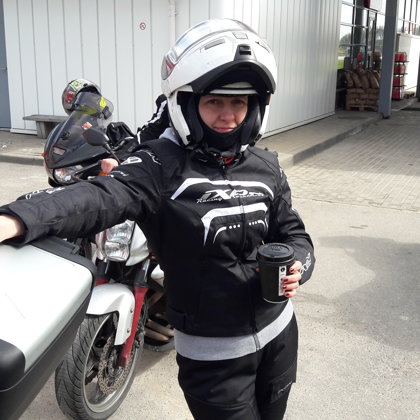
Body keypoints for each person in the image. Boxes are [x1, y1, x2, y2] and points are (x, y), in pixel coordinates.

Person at [0, 18, 315, 420]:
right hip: (214, 359)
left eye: (239, 103)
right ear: (187, 104)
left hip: (280, 336)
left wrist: (297, 265)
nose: (228, 115)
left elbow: (295, 234)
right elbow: (98, 197)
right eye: (214, 102)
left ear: (255, 108)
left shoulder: (267, 166)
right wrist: (17, 218)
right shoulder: (158, 166)